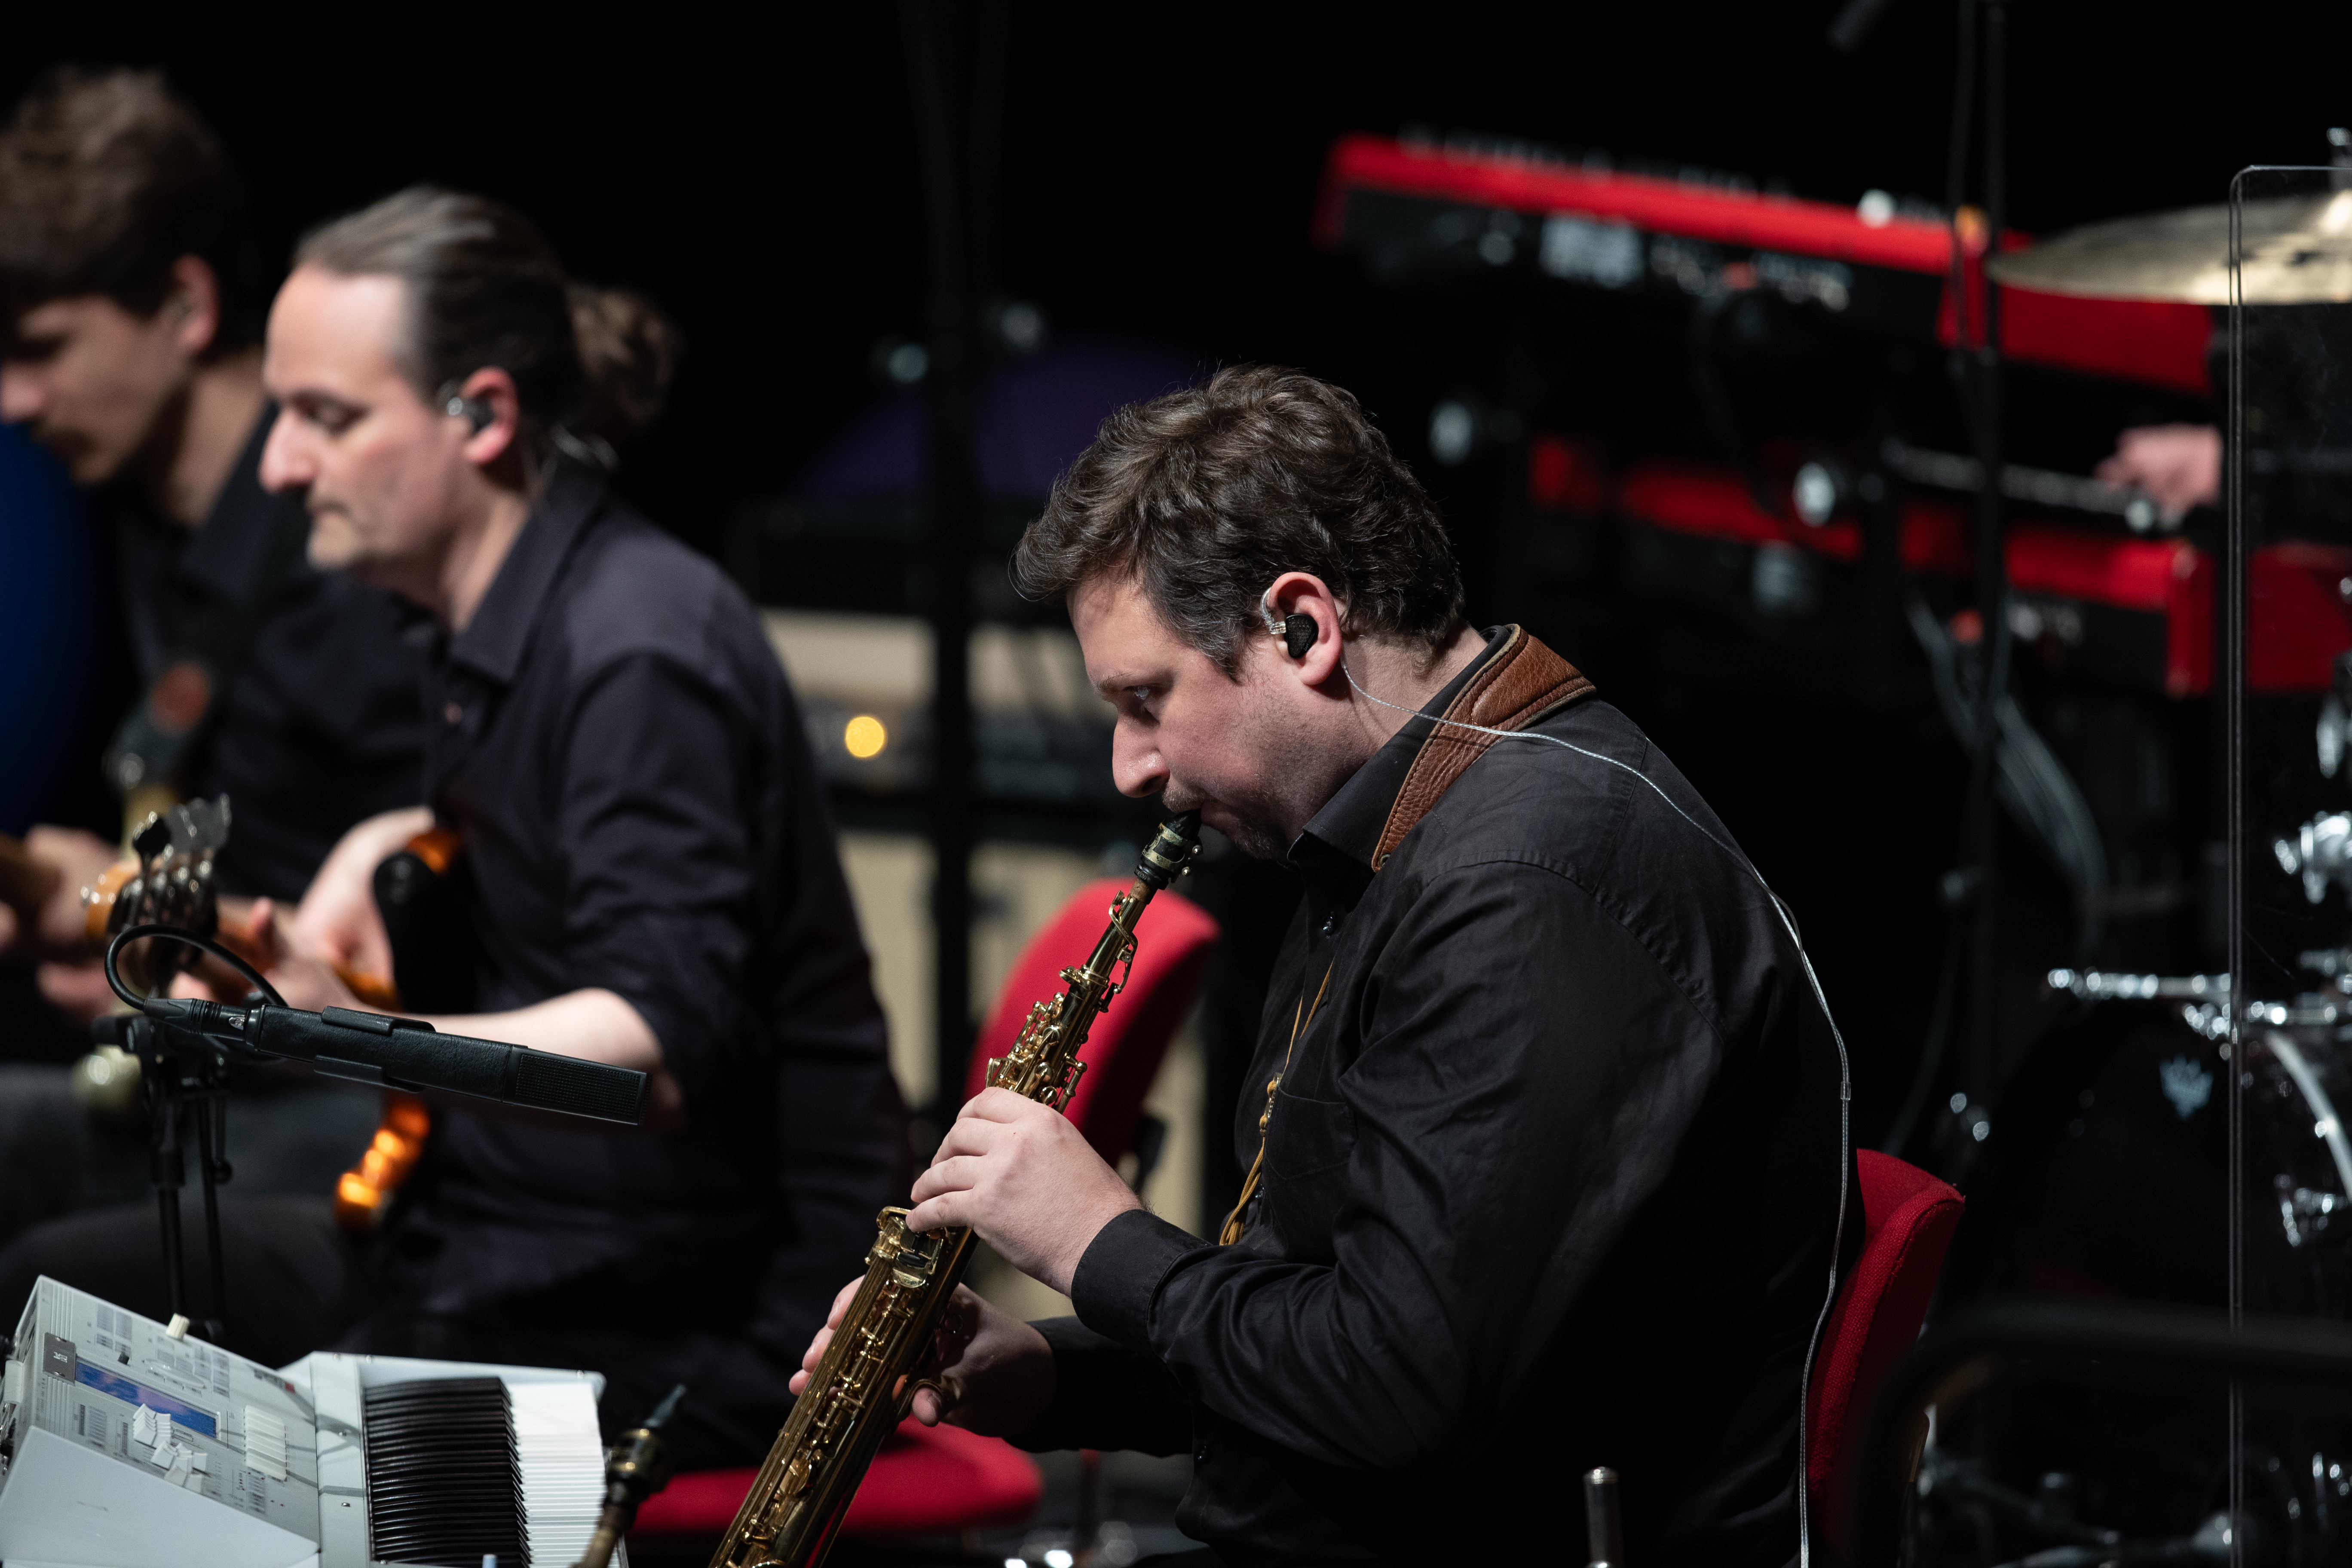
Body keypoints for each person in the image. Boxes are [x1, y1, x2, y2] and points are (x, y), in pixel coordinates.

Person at [799, 367, 1853, 1566]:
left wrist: (1100, 1242)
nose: (1128, 767)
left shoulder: (1530, 882)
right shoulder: (1396, 828)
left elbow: (1398, 1393)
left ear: (1302, 627)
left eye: (1148, 700)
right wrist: (1050, 1377)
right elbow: (1318, 1329)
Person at [0, 187, 908, 1467]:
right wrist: (399, 834)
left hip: (706, 1315)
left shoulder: (636, 643)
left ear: (480, 414)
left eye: (326, 418)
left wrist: (340, 1033)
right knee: (52, 1292)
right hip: (508, 1235)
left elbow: (656, 1051)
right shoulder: (489, 616)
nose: (277, 465)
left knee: (152, 1415)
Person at [0, 67, 417, 1236]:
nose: (13, 400)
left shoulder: (358, 546)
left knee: (46, 1274)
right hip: (222, 1059)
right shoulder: (143, 507)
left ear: (184, 307)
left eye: (41, 347)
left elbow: (448, 939)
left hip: (367, 1104)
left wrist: (128, 916)